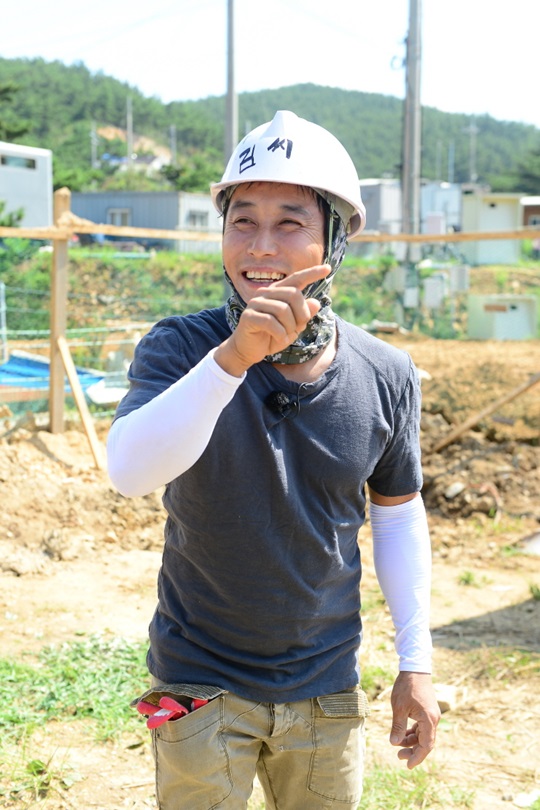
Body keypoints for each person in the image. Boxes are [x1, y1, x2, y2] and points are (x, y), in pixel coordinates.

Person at [107, 110, 440, 810]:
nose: (261, 246)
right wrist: (233, 360)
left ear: (335, 240)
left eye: (290, 223)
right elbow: (130, 471)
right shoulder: (180, 349)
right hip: (194, 682)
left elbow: (398, 517)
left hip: (326, 685)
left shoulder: (385, 373)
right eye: (242, 221)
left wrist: (417, 663)